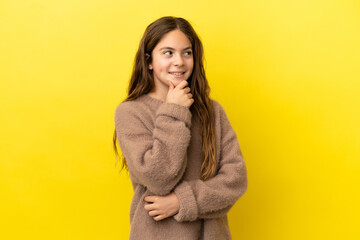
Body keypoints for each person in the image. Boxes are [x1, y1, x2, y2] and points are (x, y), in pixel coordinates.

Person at [113, 16, 248, 240]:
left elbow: (235, 179)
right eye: (168, 53)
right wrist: (174, 112)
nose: (179, 61)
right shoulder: (130, 113)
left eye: (187, 52)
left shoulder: (212, 111)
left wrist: (182, 201)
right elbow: (159, 179)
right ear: (148, 61)